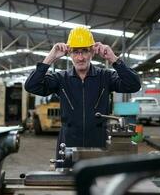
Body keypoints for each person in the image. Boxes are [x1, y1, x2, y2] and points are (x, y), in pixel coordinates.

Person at [24, 27, 141, 163]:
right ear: (69, 54)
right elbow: (31, 85)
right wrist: (50, 58)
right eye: (75, 52)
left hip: (99, 146)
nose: (80, 57)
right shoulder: (61, 79)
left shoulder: (105, 77)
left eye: (85, 51)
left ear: (92, 52)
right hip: (68, 147)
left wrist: (113, 58)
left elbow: (133, 84)